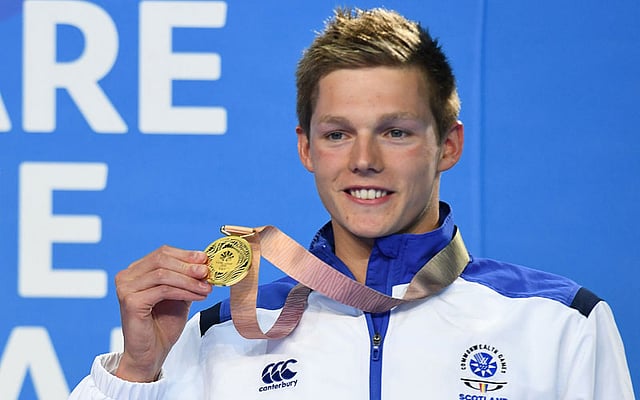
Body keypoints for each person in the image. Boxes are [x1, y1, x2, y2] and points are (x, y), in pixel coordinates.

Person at [69, 7, 634, 399]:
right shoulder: (221, 336)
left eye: (395, 131)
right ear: (306, 148)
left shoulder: (561, 325)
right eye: (338, 133)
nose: (364, 159)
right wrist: (138, 372)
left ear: (449, 146)